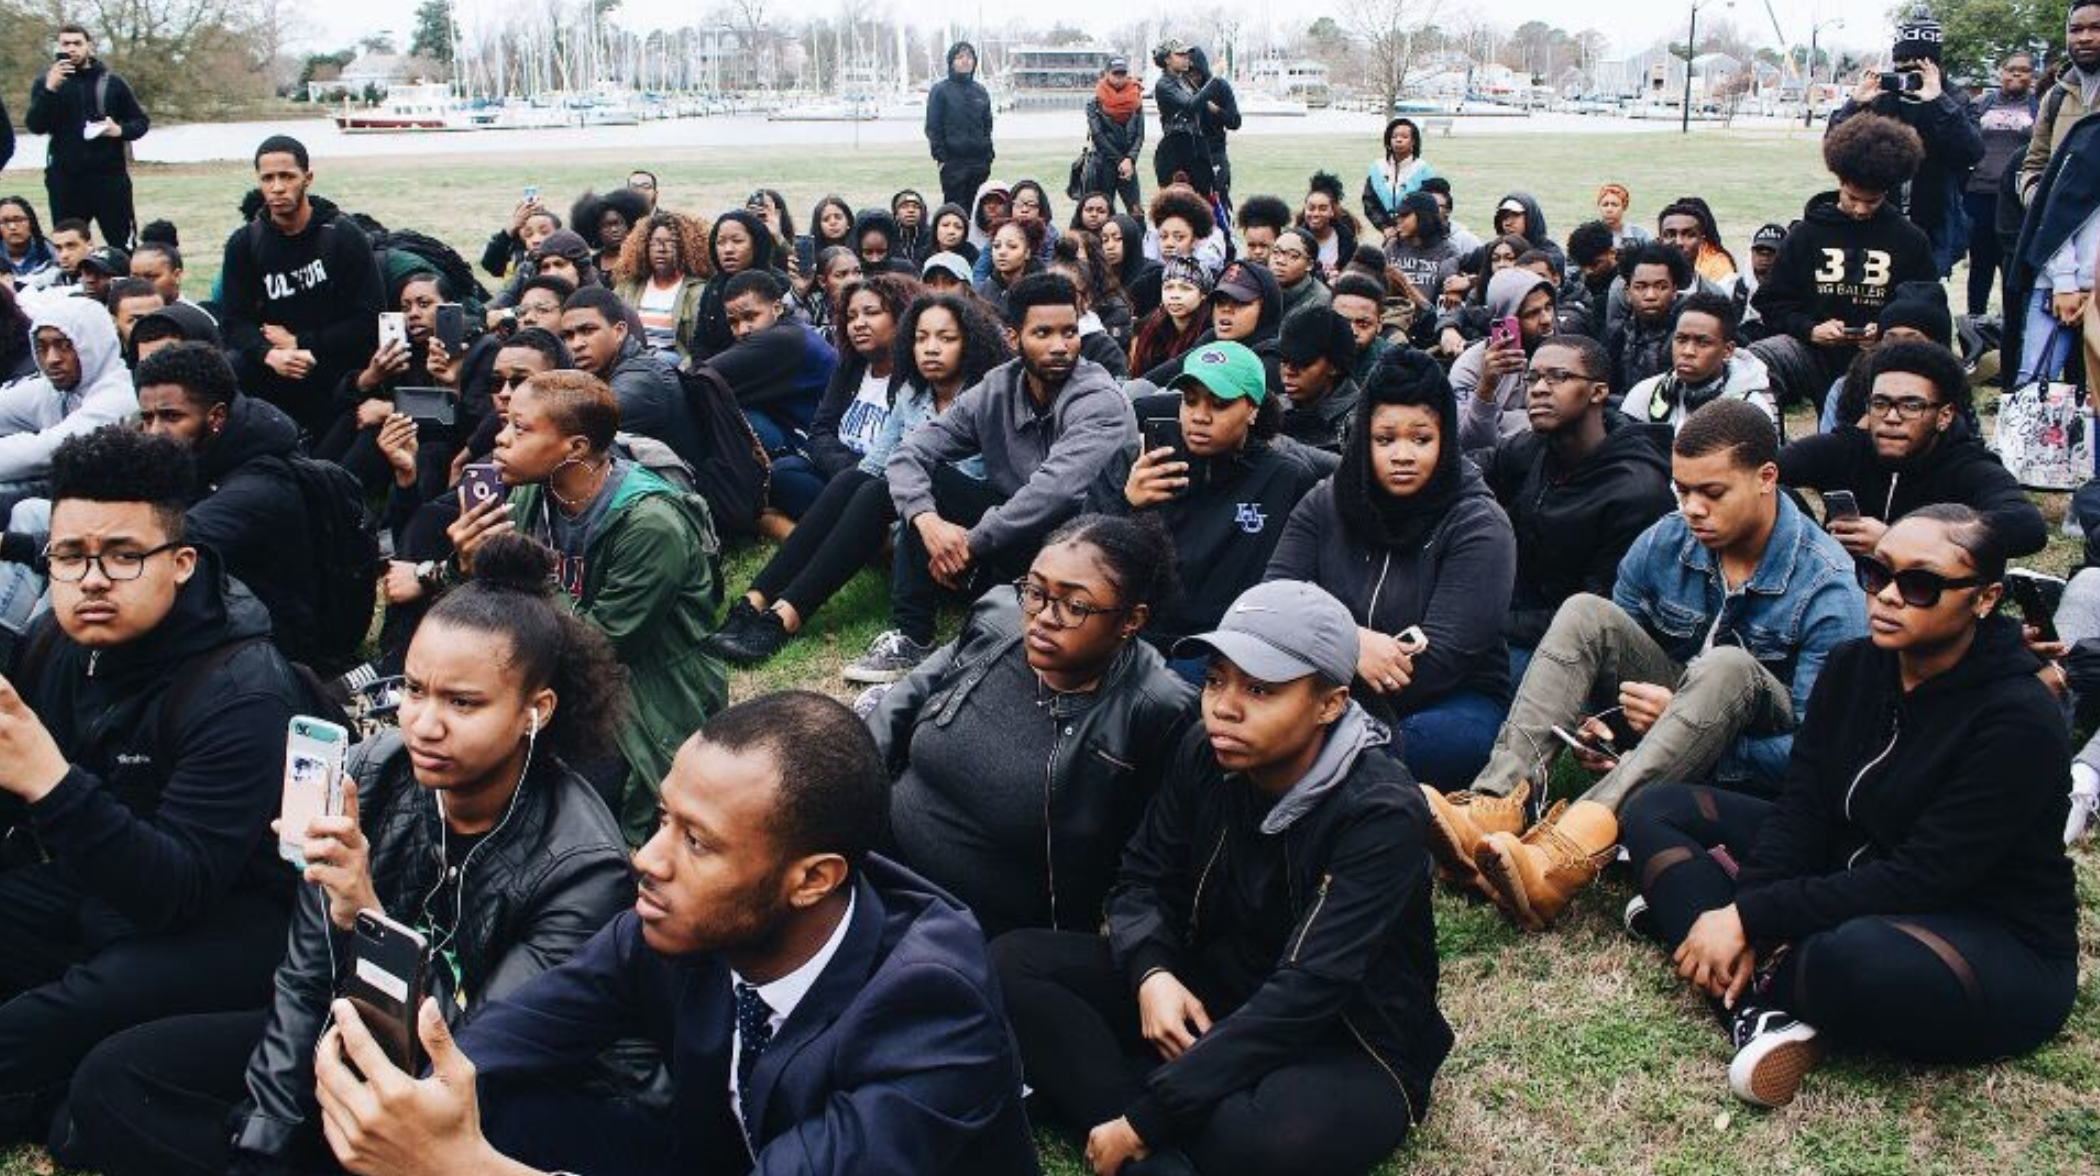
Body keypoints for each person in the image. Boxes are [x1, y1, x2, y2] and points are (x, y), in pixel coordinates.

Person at [55, 532, 638, 1176]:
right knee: (113, 1079)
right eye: (414, 691)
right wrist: (264, 1143)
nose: (424, 724)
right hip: (350, 1036)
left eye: (463, 702)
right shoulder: (367, 770)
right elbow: (304, 980)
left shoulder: (582, 866)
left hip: (474, 1094)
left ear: (536, 710)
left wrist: (366, 912)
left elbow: (474, 1050)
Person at [314, 691, 1043, 1176]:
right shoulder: (677, 923)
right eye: (664, 818)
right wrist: (411, 1101)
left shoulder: (932, 1008)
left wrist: (465, 1169)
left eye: (698, 841)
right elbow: (506, 1040)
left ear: (812, 880)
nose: (647, 858)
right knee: (480, 1102)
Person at [1621, 505, 2077, 1108]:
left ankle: (1695, 920)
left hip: (1982, 928)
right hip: (1847, 871)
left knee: (1852, 958)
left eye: (1919, 585)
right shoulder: (1855, 666)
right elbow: (1802, 809)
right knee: (1656, 808)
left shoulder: (2018, 716)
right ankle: (1758, 1009)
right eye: (1876, 573)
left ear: (1986, 598)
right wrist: (1749, 911)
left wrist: (1749, 919)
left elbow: (1927, 876)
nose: (1888, 596)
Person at [993, 579, 1452, 1176]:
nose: (1224, 706)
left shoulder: (1380, 812)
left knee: (1258, 1141)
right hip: (1212, 988)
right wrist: (1152, 972)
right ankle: (1151, 1126)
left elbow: (1311, 989)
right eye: (1215, 680)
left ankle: (1116, 1110)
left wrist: (1146, 1120)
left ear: (1330, 703)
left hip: (1343, 1036)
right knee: (1013, 963)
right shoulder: (1206, 747)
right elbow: (1141, 877)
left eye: (1260, 689)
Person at [1427, 400, 1866, 930]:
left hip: (1748, 769)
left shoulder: (1827, 587)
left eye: (1712, 492)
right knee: (1587, 612)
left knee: (1729, 665)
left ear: (1766, 478)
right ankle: (1494, 806)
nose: (1693, 509)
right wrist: (1607, 729)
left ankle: (1562, 854)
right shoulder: (1665, 540)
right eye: (1682, 490)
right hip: (1671, 722)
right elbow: (1612, 666)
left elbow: (1817, 751)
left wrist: (1680, 729)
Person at [0, 426, 307, 1143]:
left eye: (124, 555)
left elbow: (179, 889)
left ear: (181, 562)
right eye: (71, 556)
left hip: (235, 920)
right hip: (104, 882)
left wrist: (48, 777)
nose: (94, 578)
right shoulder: (60, 644)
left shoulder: (242, 689)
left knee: (51, 1021)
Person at [869, 514, 1196, 936]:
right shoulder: (1000, 615)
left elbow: (1151, 849)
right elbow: (907, 697)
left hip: (978, 924)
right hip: (881, 848)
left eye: (1075, 606)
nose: (1043, 616)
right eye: (1037, 591)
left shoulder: (1155, 707)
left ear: (1131, 621)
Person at [446, 369, 726, 843]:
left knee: (556, 804)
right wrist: (467, 564)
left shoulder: (651, 523)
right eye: (506, 423)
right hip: (552, 666)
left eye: (521, 428)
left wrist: (509, 569)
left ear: (574, 448)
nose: (501, 439)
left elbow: (604, 646)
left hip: (643, 690)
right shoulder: (536, 490)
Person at [848, 273, 1136, 685]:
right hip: (1012, 535)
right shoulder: (998, 386)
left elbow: (1051, 493)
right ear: (1014, 337)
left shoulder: (1098, 400)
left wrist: (969, 543)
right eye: (1043, 333)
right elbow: (911, 452)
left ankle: (988, 593)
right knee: (932, 484)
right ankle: (913, 635)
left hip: (1080, 542)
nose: (1060, 345)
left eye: (1069, 332)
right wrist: (926, 522)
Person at [707, 294, 1010, 666]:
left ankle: (787, 614)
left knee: (888, 484)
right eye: (920, 338)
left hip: (968, 540)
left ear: (970, 343)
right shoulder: (912, 393)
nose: (931, 349)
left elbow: (988, 484)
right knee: (855, 480)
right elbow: (874, 463)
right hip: (914, 517)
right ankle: (757, 599)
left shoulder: (990, 397)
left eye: (946, 339)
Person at [1266, 349, 1516, 786]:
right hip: (1324, 679)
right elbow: (1273, 598)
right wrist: (1351, 643)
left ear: (1446, 439)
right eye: (1385, 439)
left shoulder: (1479, 523)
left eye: (1421, 439)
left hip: (1449, 696)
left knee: (1420, 747)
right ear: (1364, 438)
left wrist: (1326, 680)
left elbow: (1442, 659)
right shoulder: (1326, 502)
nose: (1403, 455)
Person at [1096, 341, 1334, 660]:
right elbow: (1084, 552)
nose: (1200, 417)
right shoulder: (1136, 461)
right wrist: (1127, 505)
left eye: (1219, 404)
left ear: (1252, 409)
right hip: (1130, 637)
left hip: (1227, 649)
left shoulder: (1286, 479)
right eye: (1190, 402)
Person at [130, 341, 344, 667]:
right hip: (216, 615)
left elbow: (171, 540)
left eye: (171, 416)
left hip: (270, 646)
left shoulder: (263, 479)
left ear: (216, 416)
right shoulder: (192, 455)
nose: (155, 431)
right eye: (147, 418)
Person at [1475, 334, 1675, 669]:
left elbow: (1597, 614)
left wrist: (1486, 622)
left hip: (1581, 649)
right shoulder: (1535, 447)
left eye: (1559, 377)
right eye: (1533, 377)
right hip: (1511, 615)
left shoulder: (1637, 492)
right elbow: (1465, 470)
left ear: (1598, 391)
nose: (1539, 388)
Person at [1780, 340, 2046, 561]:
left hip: (1925, 603)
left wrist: (1898, 539)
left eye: (1911, 405)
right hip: (1840, 591)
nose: (1892, 417)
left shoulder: (1966, 464)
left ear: (1944, 415)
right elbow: (1761, 469)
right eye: (1881, 403)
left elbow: (2027, 527)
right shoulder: (1846, 447)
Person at [1751, 115, 1935, 414]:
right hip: (1811, 351)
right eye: (1852, 198)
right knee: (1758, 359)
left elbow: (1927, 311)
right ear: (1839, 182)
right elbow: (1772, 302)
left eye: (1872, 201)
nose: (1861, 209)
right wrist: (1811, 329)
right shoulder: (1806, 234)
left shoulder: (1910, 240)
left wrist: (1886, 332)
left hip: (1882, 358)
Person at [218, 135, 384, 436]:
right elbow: (234, 322)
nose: (277, 187)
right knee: (230, 369)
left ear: (307, 178)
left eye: (287, 176)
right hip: (275, 366)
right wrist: (270, 354)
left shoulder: (342, 235)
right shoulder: (244, 244)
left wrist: (301, 342)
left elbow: (370, 319)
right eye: (267, 178)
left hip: (337, 367)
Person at [1825, 8, 1983, 277]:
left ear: (1934, 64)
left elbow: (1971, 152)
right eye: (1902, 61)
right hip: (1879, 214)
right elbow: (1835, 147)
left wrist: (1937, 102)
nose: (1908, 69)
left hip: (1933, 219)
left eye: (1918, 62)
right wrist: (1856, 103)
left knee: (1922, 298)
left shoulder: (1953, 98)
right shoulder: (1884, 96)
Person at [707, 270, 840, 521]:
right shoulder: (788, 330)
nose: (742, 330)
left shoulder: (783, 340)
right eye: (734, 322)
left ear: (777, 308)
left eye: (750, 317)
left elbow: (700, 375)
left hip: (824, 455)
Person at [0, 297, 135, 518]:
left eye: (65, 345)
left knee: (28, 514)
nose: (52, 359)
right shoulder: (55, 389)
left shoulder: (119, 396)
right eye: (42, 347)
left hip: (109, 513)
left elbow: (46, 451)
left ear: (93, 344)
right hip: (66, 496)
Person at [557, 285, 707, 478]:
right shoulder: (599, 370)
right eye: (568, 336)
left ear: (619, 331)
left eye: (587, 330)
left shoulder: (643, 379)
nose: (576, 344)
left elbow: (573, 426)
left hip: (673, 496)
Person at [23, 23, 147, 249]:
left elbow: (140, 122)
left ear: (89, 46)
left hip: (109, 179)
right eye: (65, 44)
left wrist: (119, 131)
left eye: (77, 43)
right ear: (58, 47)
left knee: (123, 245)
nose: (71, 48)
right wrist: (50, 89)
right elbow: (35, 126)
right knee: (68, 248)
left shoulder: (112, 82)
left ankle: (126, 284)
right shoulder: (45, 82)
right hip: (65, 181)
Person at [2005, 109, 2099, 389]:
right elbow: (2056, 216)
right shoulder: (2092, 136)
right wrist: (2064, 281)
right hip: (2064, 285)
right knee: (2035, 387)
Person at [804, 273, 918, 484]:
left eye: (871, 313)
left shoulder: (916, 377)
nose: (858, 324)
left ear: (901, 317)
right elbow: (819, 433)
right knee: (784, 470)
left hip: (883, 485)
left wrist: (861, 474)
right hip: (840, 474)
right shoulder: (849, 367)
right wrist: (851, 470)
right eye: (851, 316)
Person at [1623, 293, 1777, 433]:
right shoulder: (1645, 394)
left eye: (1703, 343)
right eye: (1681, 339)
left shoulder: (1751, 409)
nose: (1688, 351)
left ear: (1728, 350)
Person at [1963, 53, 2039, 316]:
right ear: (2000, 72)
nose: (2017, 74)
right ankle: (1974, 327)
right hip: (1978, 195)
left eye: (2024, 70)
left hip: (2016, 201)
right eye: (2011, 69)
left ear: (2032, 75)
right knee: (1980, 265)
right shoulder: (1982, 103)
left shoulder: (2039, 106)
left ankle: (2011, 329)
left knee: (2012, 265)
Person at [1453, 266, 1558, 447]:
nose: (1547, 319)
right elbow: (1469, 443)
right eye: (1532, 313)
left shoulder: (1561, 352)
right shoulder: (1469, 368)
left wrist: (1506, 421)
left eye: (1548, 307)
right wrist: (1486, 389)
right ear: (1506, 320)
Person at [2017, 0, 2100, 207]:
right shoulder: (2055, 96)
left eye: (2096, 28)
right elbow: (2034, 164)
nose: (2085, 38)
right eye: (2076, 30)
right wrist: (2037, 201)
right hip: (2062, 232)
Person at [610, 210, 709, 362]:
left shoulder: (697, 291)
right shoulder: (628, 287)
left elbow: (701, 345)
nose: (661, 249)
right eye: (655, 242)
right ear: (644, 247)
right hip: (630, 360)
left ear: (685, 248)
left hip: (675, 365)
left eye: (671, 243)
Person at [1607, 241, 1696, 393]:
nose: (1650, 296)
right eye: (1640, 287)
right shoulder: (1618, 333)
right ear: (1627, 292)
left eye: (1661, 287)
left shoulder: (1690, 332)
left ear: (1674, 291)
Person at [1276, 304, 1364, 455]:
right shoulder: (1273, 410)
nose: (1289, 371)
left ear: (1334, 366)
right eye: (1284, 359)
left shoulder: (1362, 421)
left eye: (1302, 362)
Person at [690, 209, 776, 362]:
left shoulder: (775, 282)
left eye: (737, 241)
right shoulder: (714, 285)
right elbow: (701, 339)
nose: (728, 250)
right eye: (721, 242)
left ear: (756, 243)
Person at [926, 41, 995, 208]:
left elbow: (987, 125)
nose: (965, 61)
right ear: (951, 62)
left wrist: (988, 154)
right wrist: (941, 158)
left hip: (979, 162)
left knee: (978, 209)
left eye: (969, 57)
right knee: (956, 211)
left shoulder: (980, 91)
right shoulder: (940, 90)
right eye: (960, 57)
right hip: (953, 162)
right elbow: (933, 127)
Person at [1128, 255, 1214, 378]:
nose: (1175, 295)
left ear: (1203, 294)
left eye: (1185, 288)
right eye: (1168, 287)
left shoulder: (1211, 329)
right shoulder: (1150, 327)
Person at [1086, 56, 1146, 216]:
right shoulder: (1095, 102)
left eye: (1123, 73)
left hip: (1128, 162)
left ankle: (1138, 240)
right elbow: (1098, 136)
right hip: (1105, 162)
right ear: (1106, 74)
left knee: (1136, 211)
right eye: (1115, 73)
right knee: (1104, 212)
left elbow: (1140, 134)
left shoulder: (1136, 99)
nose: (1119, 77)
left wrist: (1130, 159)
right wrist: (1121, 161)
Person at [1363, 117, 1436, 242]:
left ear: (1413, 141)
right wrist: (1385, 227)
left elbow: (1429, 207)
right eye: (1394, 136)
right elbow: (1369, 202)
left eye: (1404, 136)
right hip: (1389, 236)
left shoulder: (1424, 170)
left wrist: (1410, 229)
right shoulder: (1377, 168)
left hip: (1417, 237)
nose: (1398, 140)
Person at [568, 188, 649, 276]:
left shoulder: (642, 260)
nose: (614, 229)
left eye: (618, 223)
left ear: (629, 225)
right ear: (596, 231)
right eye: (605, 226)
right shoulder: (589, 265)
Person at [1657, 198, 1739, 285]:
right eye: (1670, 235)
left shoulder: (1719, 265)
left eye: (1689, 235)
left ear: (1702, 240)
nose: (1678, 242)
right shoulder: (1646, 270)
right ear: (1659, 240)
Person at [975, 218, 1045, 321]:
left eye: (1012, 246)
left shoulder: (1042, 290)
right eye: (996, 246)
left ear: (1027, 252)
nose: (1002, 252)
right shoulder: (985, 290)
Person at [1297, 172, 1358, 279]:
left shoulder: (1347, 240)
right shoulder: (1294, 239)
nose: (1316, 214)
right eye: (1311, 208)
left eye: (1323, 208)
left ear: (1332, 211)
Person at [1267, 228, 1329, 318]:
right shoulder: (1260, 286)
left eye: (1293, 256)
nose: (1280, 261)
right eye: (1276, 252)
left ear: (1310, 265)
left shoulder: (1320, 303)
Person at [0, 197, 56, 289]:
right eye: (5, 221)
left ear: (31, 222)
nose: (12, 227)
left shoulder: (50, 252)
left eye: (19, 220)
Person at [1597, 182, 1650, 248]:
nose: (1609, 209)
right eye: (1605, 205)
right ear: (1599, 206)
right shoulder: (1589, 235)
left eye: (1614, 205)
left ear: (1624, 207)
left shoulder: (1640, 235)